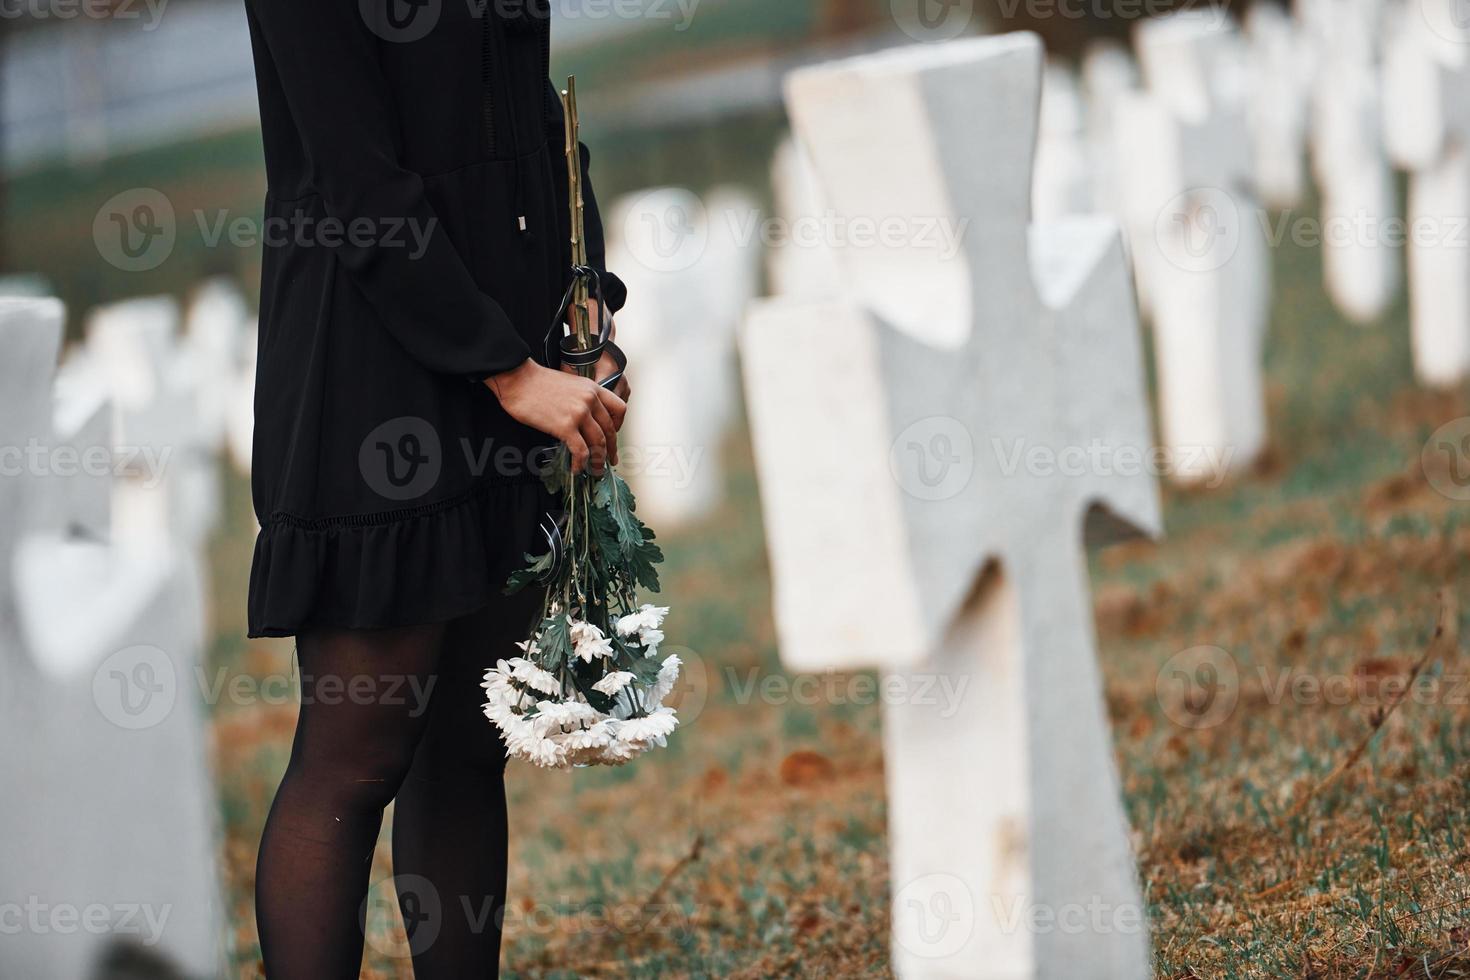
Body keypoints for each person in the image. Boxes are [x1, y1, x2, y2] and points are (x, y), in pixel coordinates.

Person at [241, 0, 628, 975]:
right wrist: (505, 369)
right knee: (357, 753)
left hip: (507, 346)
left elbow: (531, 107)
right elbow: (355, 179)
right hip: (369, 367)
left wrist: (582, 290)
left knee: (468, 739)